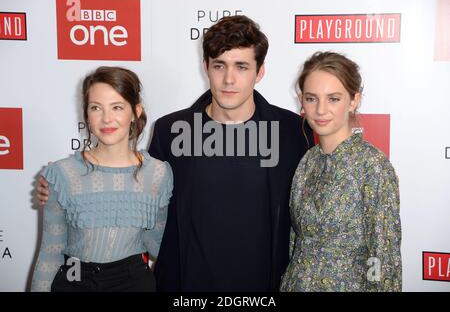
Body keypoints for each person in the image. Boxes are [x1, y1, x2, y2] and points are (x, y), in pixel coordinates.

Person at [37, 16, 312, 292]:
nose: (229, 79)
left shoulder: (292, 133)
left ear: (260, 71)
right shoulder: (172, 131)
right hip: (187, 286)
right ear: (205, 67)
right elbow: (138, 187)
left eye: (241, 67)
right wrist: (61, 184)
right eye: (219, 66)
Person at [31, 66, 173, 292]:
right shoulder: (62, 174)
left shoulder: (158, 173)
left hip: (133, 281)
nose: (107, 118)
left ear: (135, 111)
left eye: (117, 107)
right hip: (74, 278)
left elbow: (157, 245)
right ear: (86, 114)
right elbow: (50, 253)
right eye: (96, 108)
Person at [280, 51, 402, 292]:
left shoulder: (372, 165)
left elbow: (383, 258)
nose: (321, 110)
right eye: (312, 98)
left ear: (354, 100)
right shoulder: (307, 161)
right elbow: (295, 242)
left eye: (333, 99)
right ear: (301, 100)